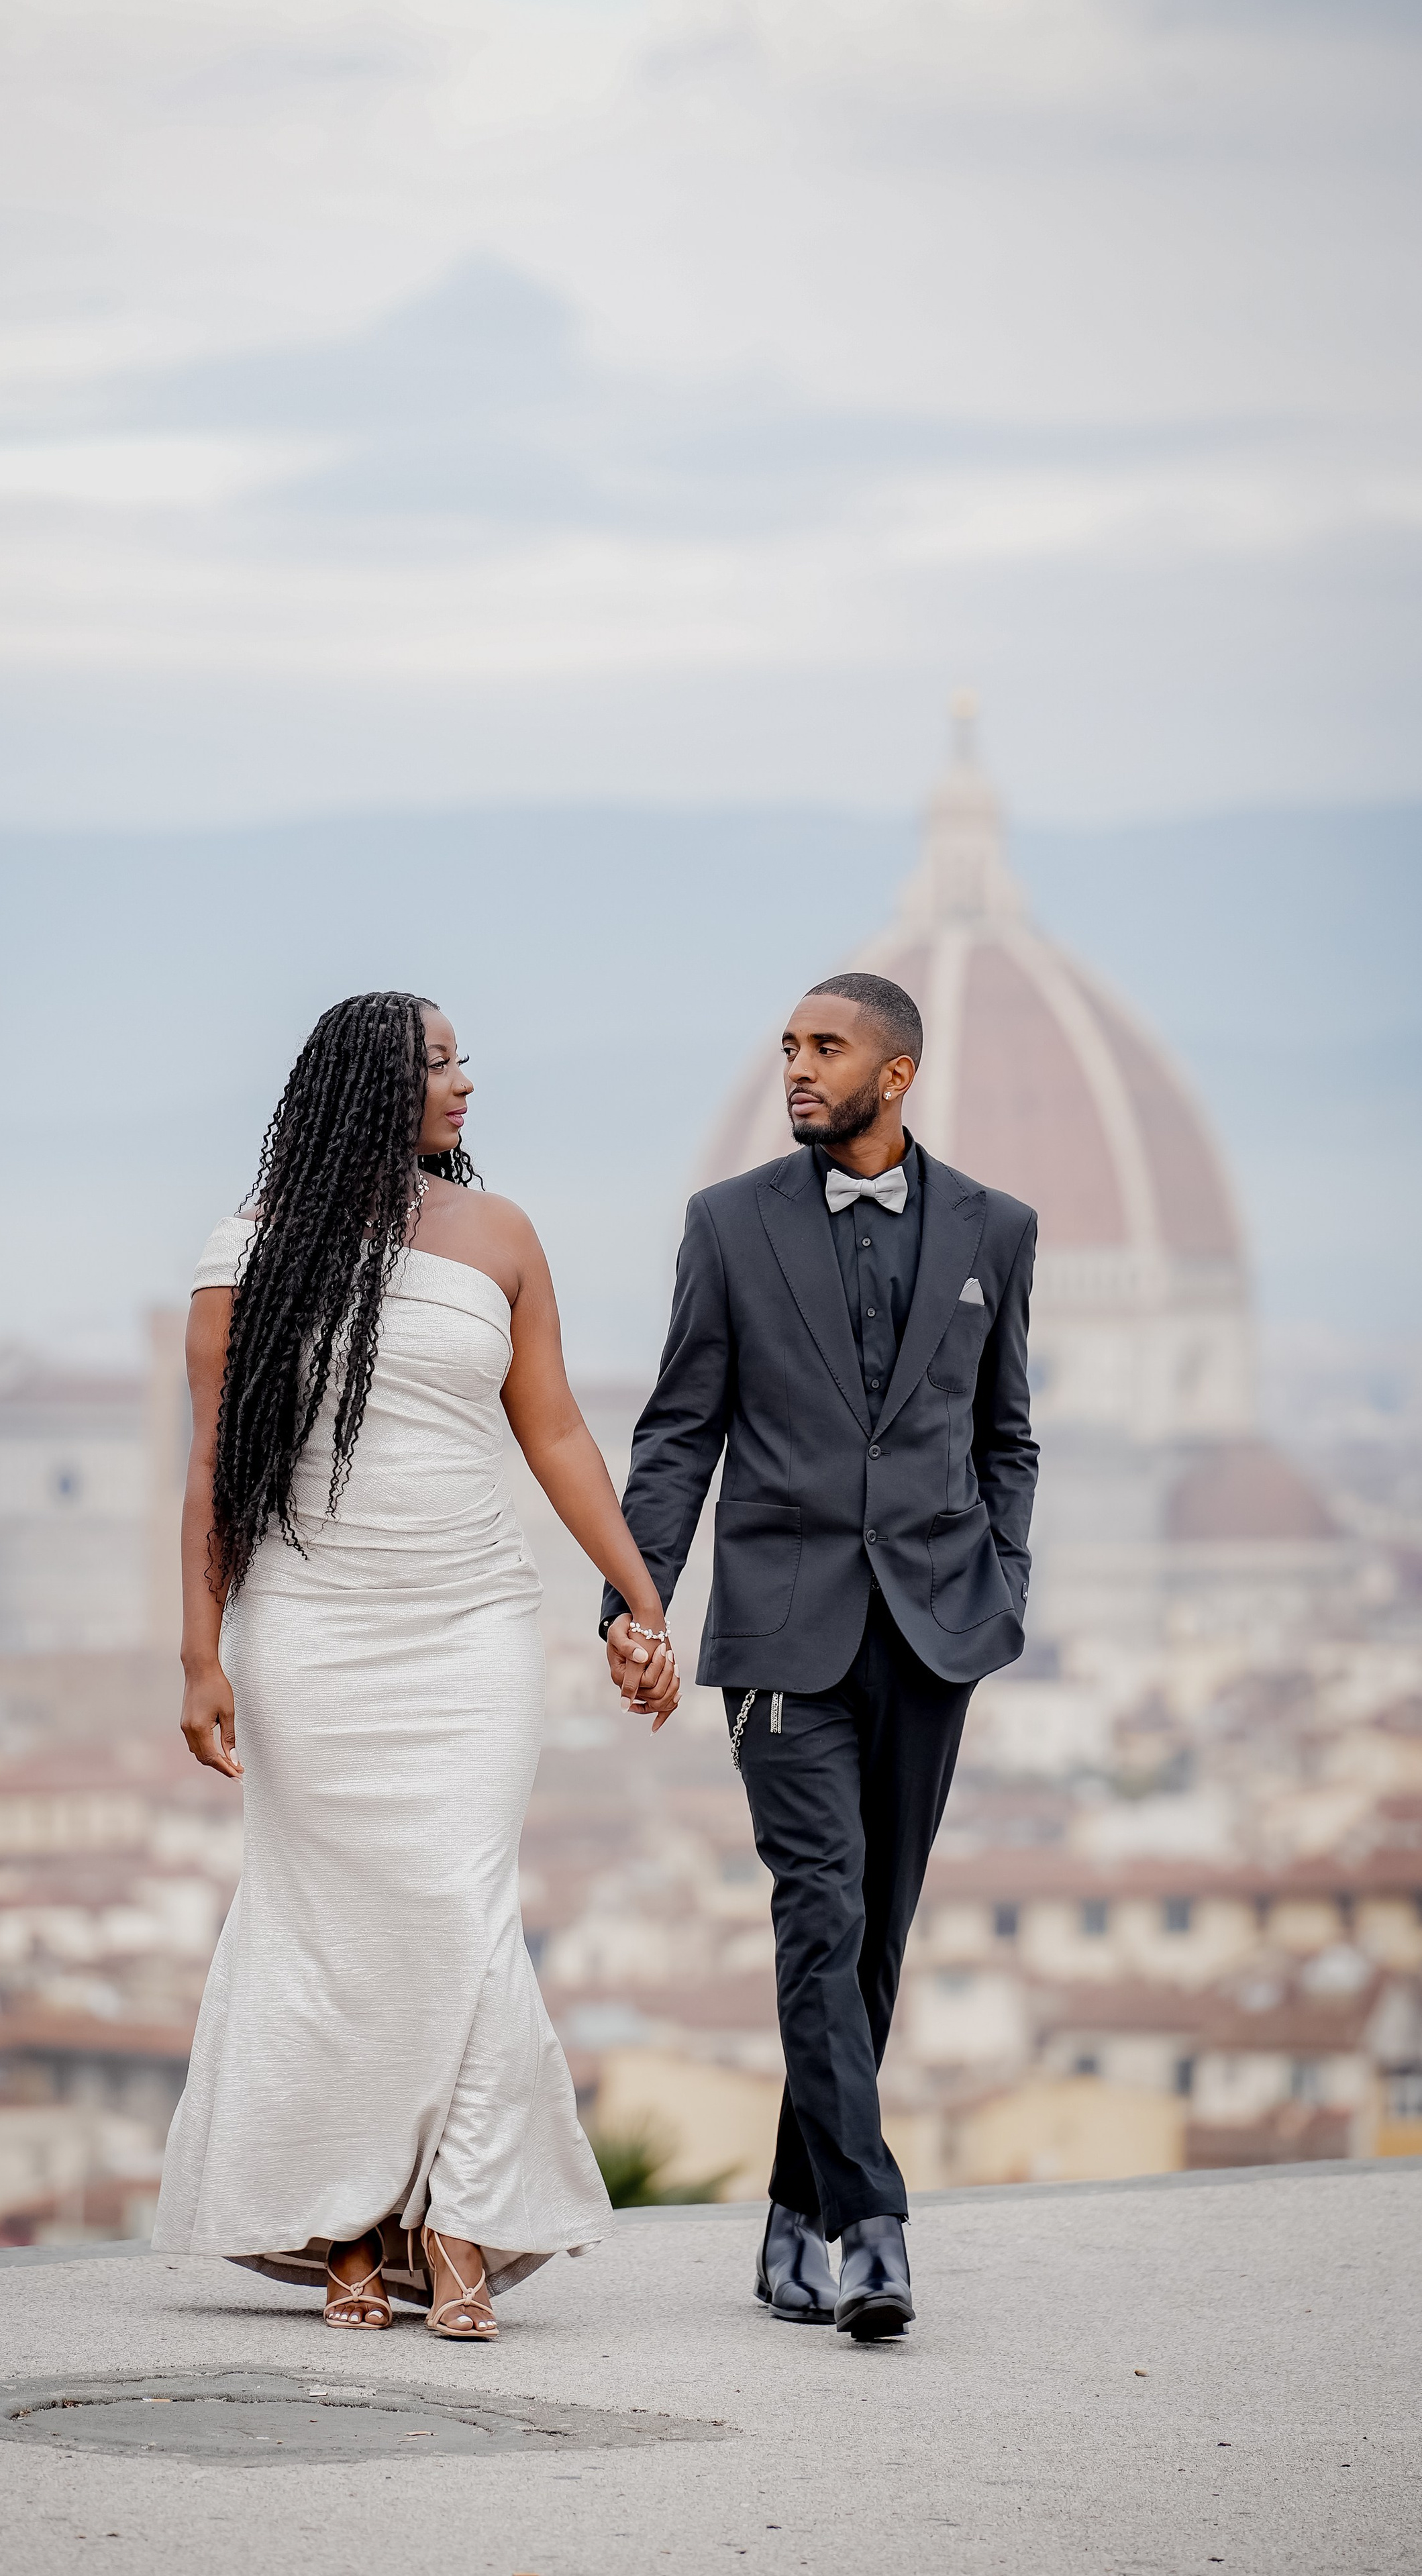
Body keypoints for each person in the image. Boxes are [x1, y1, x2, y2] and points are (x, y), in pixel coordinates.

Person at [152, 991, 680, 2339]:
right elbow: (214, 1463)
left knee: (459, 1908)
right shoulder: (243, 1250)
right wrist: (197, 1655)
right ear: (359, 1093)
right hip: (308, 1628)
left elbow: (554, 1429)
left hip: (469, 1628)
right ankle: (339, 2226)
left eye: (460, 1059)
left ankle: (457, 2215)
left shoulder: (501, 1237)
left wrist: (636, 1593)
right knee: (327, 1931)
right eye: (436, 1064)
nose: (463, 1084)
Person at [602, 972, 1038, 2339]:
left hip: (930, 1630)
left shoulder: (993, 1230)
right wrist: (635, 1597)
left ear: (894, 1073)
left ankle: (792, 2209)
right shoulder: (725, 1227)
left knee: (875, 1945)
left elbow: (1003, 1433)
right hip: (781, 1635)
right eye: (787, 1045)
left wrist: (996, 1580)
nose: (794, 1066)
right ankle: (870, 2225)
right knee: (818, 1914)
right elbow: (678, 1431)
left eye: (823, 1047)